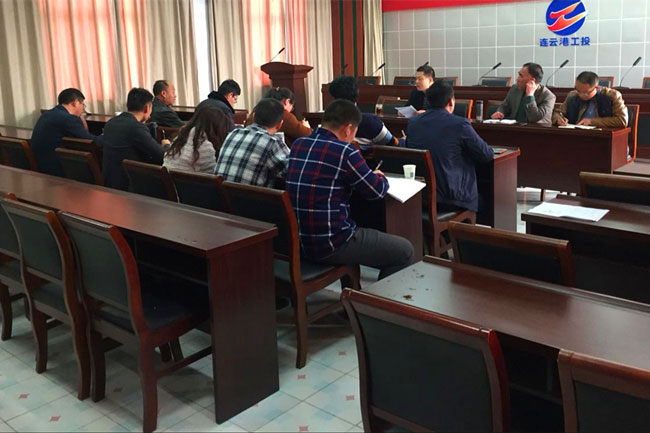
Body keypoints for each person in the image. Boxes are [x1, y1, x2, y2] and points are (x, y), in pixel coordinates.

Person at [286, 99, 414, 280]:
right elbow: (377, 191)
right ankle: (375, 298)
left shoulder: (299, 144)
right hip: (332, 242)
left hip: (299, 241)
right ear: (348, 129)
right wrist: (379, 177)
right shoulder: (345, 151)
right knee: (405, 251)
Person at [407, 80, 493, 213]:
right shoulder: (460, 124)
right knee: (489, 200)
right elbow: (486, 154)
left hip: (422, 196)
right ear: (451, 101)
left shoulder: (413, 122)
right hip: (452, 198)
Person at [102, 88, 170, 191]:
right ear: (147, 108)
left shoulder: (111, 123)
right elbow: (161, 156)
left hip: (110, 182)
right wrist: (166, 145)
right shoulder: (136, 127)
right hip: (129, 185)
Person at [214, 98, 288, 187]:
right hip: (249, 195)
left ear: (253, 116)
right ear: (279, 124)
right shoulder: (272, 142)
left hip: (220, 194)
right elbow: (291, 173)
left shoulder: (233, 133)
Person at [30, 88, 98, 176]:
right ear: (75, 102)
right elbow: (90, 141)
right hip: (56, 169)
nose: (82, 109)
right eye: (83, 105)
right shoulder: (69, 119)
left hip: (41, 164)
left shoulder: (47, 114)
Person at [328, 75, 401, 150]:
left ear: (333, 98)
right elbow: (393, 144)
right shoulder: (371, 122)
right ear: (357, 94)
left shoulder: (327, 122)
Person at [163, 104, 230, 173]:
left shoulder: (180, 138)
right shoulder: (204, 146)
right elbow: (211, 175)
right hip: (186, 179)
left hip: (168, 178)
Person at [553, 71, 628, 128]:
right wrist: (558, 119)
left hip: (602, 135)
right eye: (578, 91)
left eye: (586, 92)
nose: (581, 95)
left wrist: (592, 121)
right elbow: (558, 113)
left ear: (596, 88)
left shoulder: (612, 96)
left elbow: (622, 120)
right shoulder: (572, 95)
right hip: (576, 134)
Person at [491, 63, 556, 125]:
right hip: (514, 128)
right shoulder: (515, 88)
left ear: (532, 80)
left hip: (535, 131)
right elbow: (505, 106)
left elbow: (534, 118)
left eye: (521, 76)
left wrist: (530, 96)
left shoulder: (548, 96)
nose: (517, 79)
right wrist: (500, 112)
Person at [243, 87, 312, 146]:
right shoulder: (283, 114)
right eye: (292, 107)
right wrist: (306, 127)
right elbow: (308, 134)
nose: (291, 111)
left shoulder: (256, 110)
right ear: (286, 101)